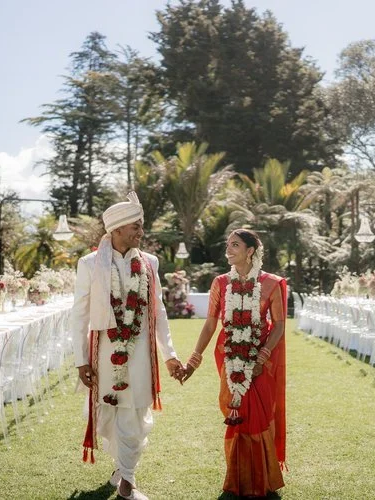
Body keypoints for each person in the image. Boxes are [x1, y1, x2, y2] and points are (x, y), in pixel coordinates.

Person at [71, 192, 184, 500]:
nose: (141, 232)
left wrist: (170, 355)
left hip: (141, 354)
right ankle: (124, 473)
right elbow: (79, 314)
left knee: (136, 413)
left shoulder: (150, 263)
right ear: (117, 229)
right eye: (136, 226)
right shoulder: (90, 264)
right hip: (106, 355)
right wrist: (81, 360)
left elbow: (158, 311)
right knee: (113, 414)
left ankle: (126, 478)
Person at [181, 229, 287, 497]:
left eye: (235, 245)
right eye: (227, 244)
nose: (228, 250)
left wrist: (262, 357)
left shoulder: (272, 283)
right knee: (235, 412)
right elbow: (210, 324)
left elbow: (279, 324)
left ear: (250, 251)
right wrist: (194, 359)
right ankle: (238, 476)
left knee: (259, 413)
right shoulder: (220, 283)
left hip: (260, 359)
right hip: (229, 358)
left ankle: (262, 480)